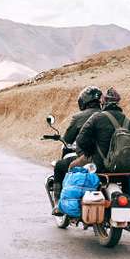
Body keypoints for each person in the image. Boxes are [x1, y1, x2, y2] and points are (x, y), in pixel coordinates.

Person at [51, 86, 101, 215]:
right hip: (107, 158)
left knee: (59, 166)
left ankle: (58, 203)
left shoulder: (79, 117)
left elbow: (68, 139)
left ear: (83, 101)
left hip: (88, 157)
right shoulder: (106, 114)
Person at [76, 87, 130, 172]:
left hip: (100, 167)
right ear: (117, 103)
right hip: (126, 168)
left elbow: (81, 140)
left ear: (103, 102)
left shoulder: (96, 118)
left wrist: (92, 153)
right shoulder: (129, 122)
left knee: (67, 166)